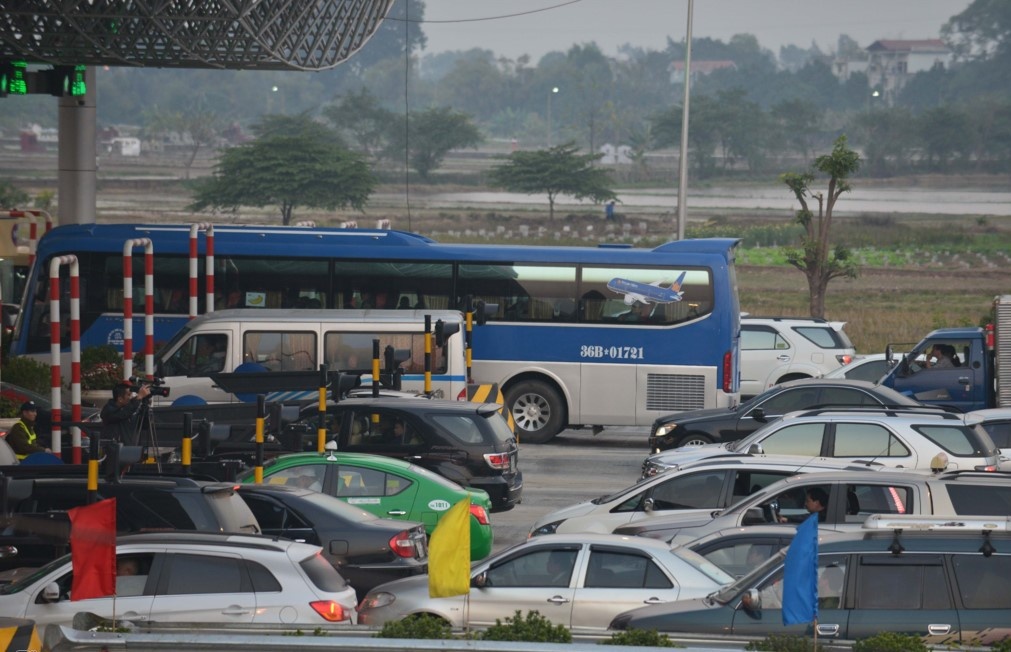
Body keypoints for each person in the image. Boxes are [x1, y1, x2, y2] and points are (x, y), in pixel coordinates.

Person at [100, 381, 151, 446]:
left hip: (130, 450)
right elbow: (123, 414)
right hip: (114, 451)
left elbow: (144, 426)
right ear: (120, 399)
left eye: (132, 395)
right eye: (129, 395)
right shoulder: (108, 410)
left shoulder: (130, 409)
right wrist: (138, 398)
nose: (131, 397)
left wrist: (145, 406)